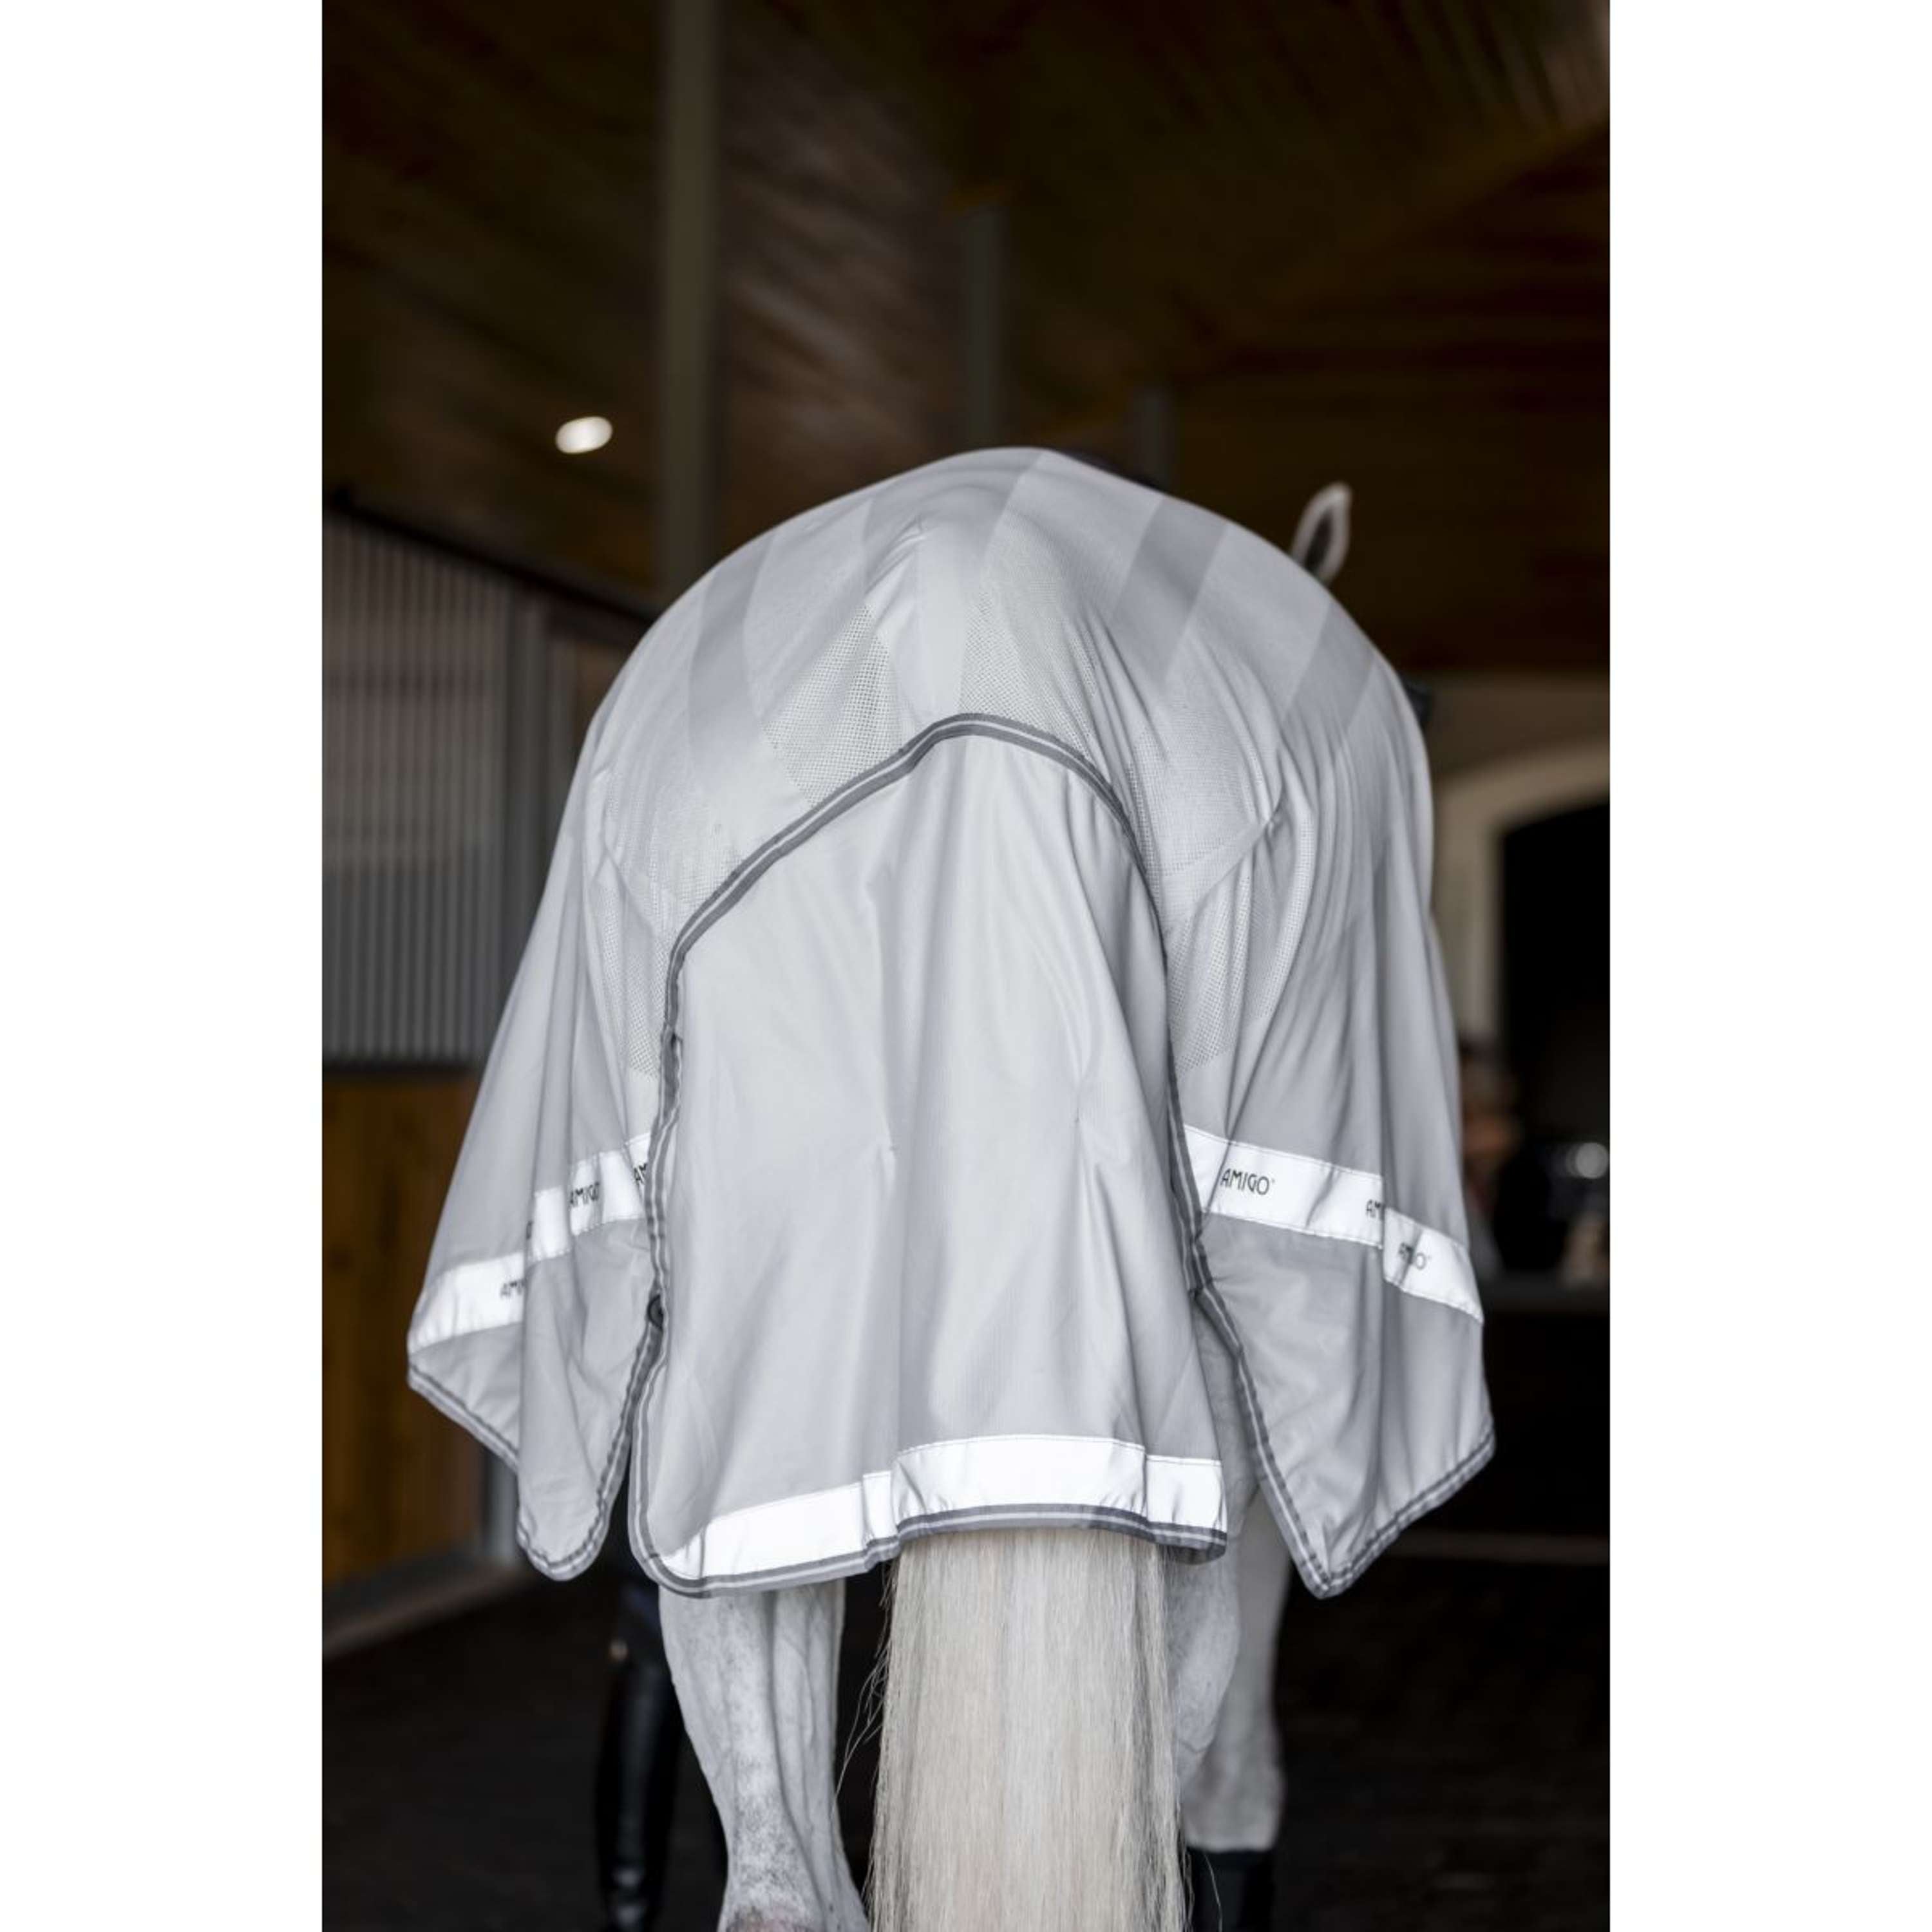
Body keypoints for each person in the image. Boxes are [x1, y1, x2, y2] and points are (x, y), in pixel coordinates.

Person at [409, 448, 1492, 1929]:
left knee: (713, 1417)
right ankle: (1197, 1831)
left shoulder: (720, 653)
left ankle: (770, 1877)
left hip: (732, 1259)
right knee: (1228, 1348)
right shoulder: (1262, 645)